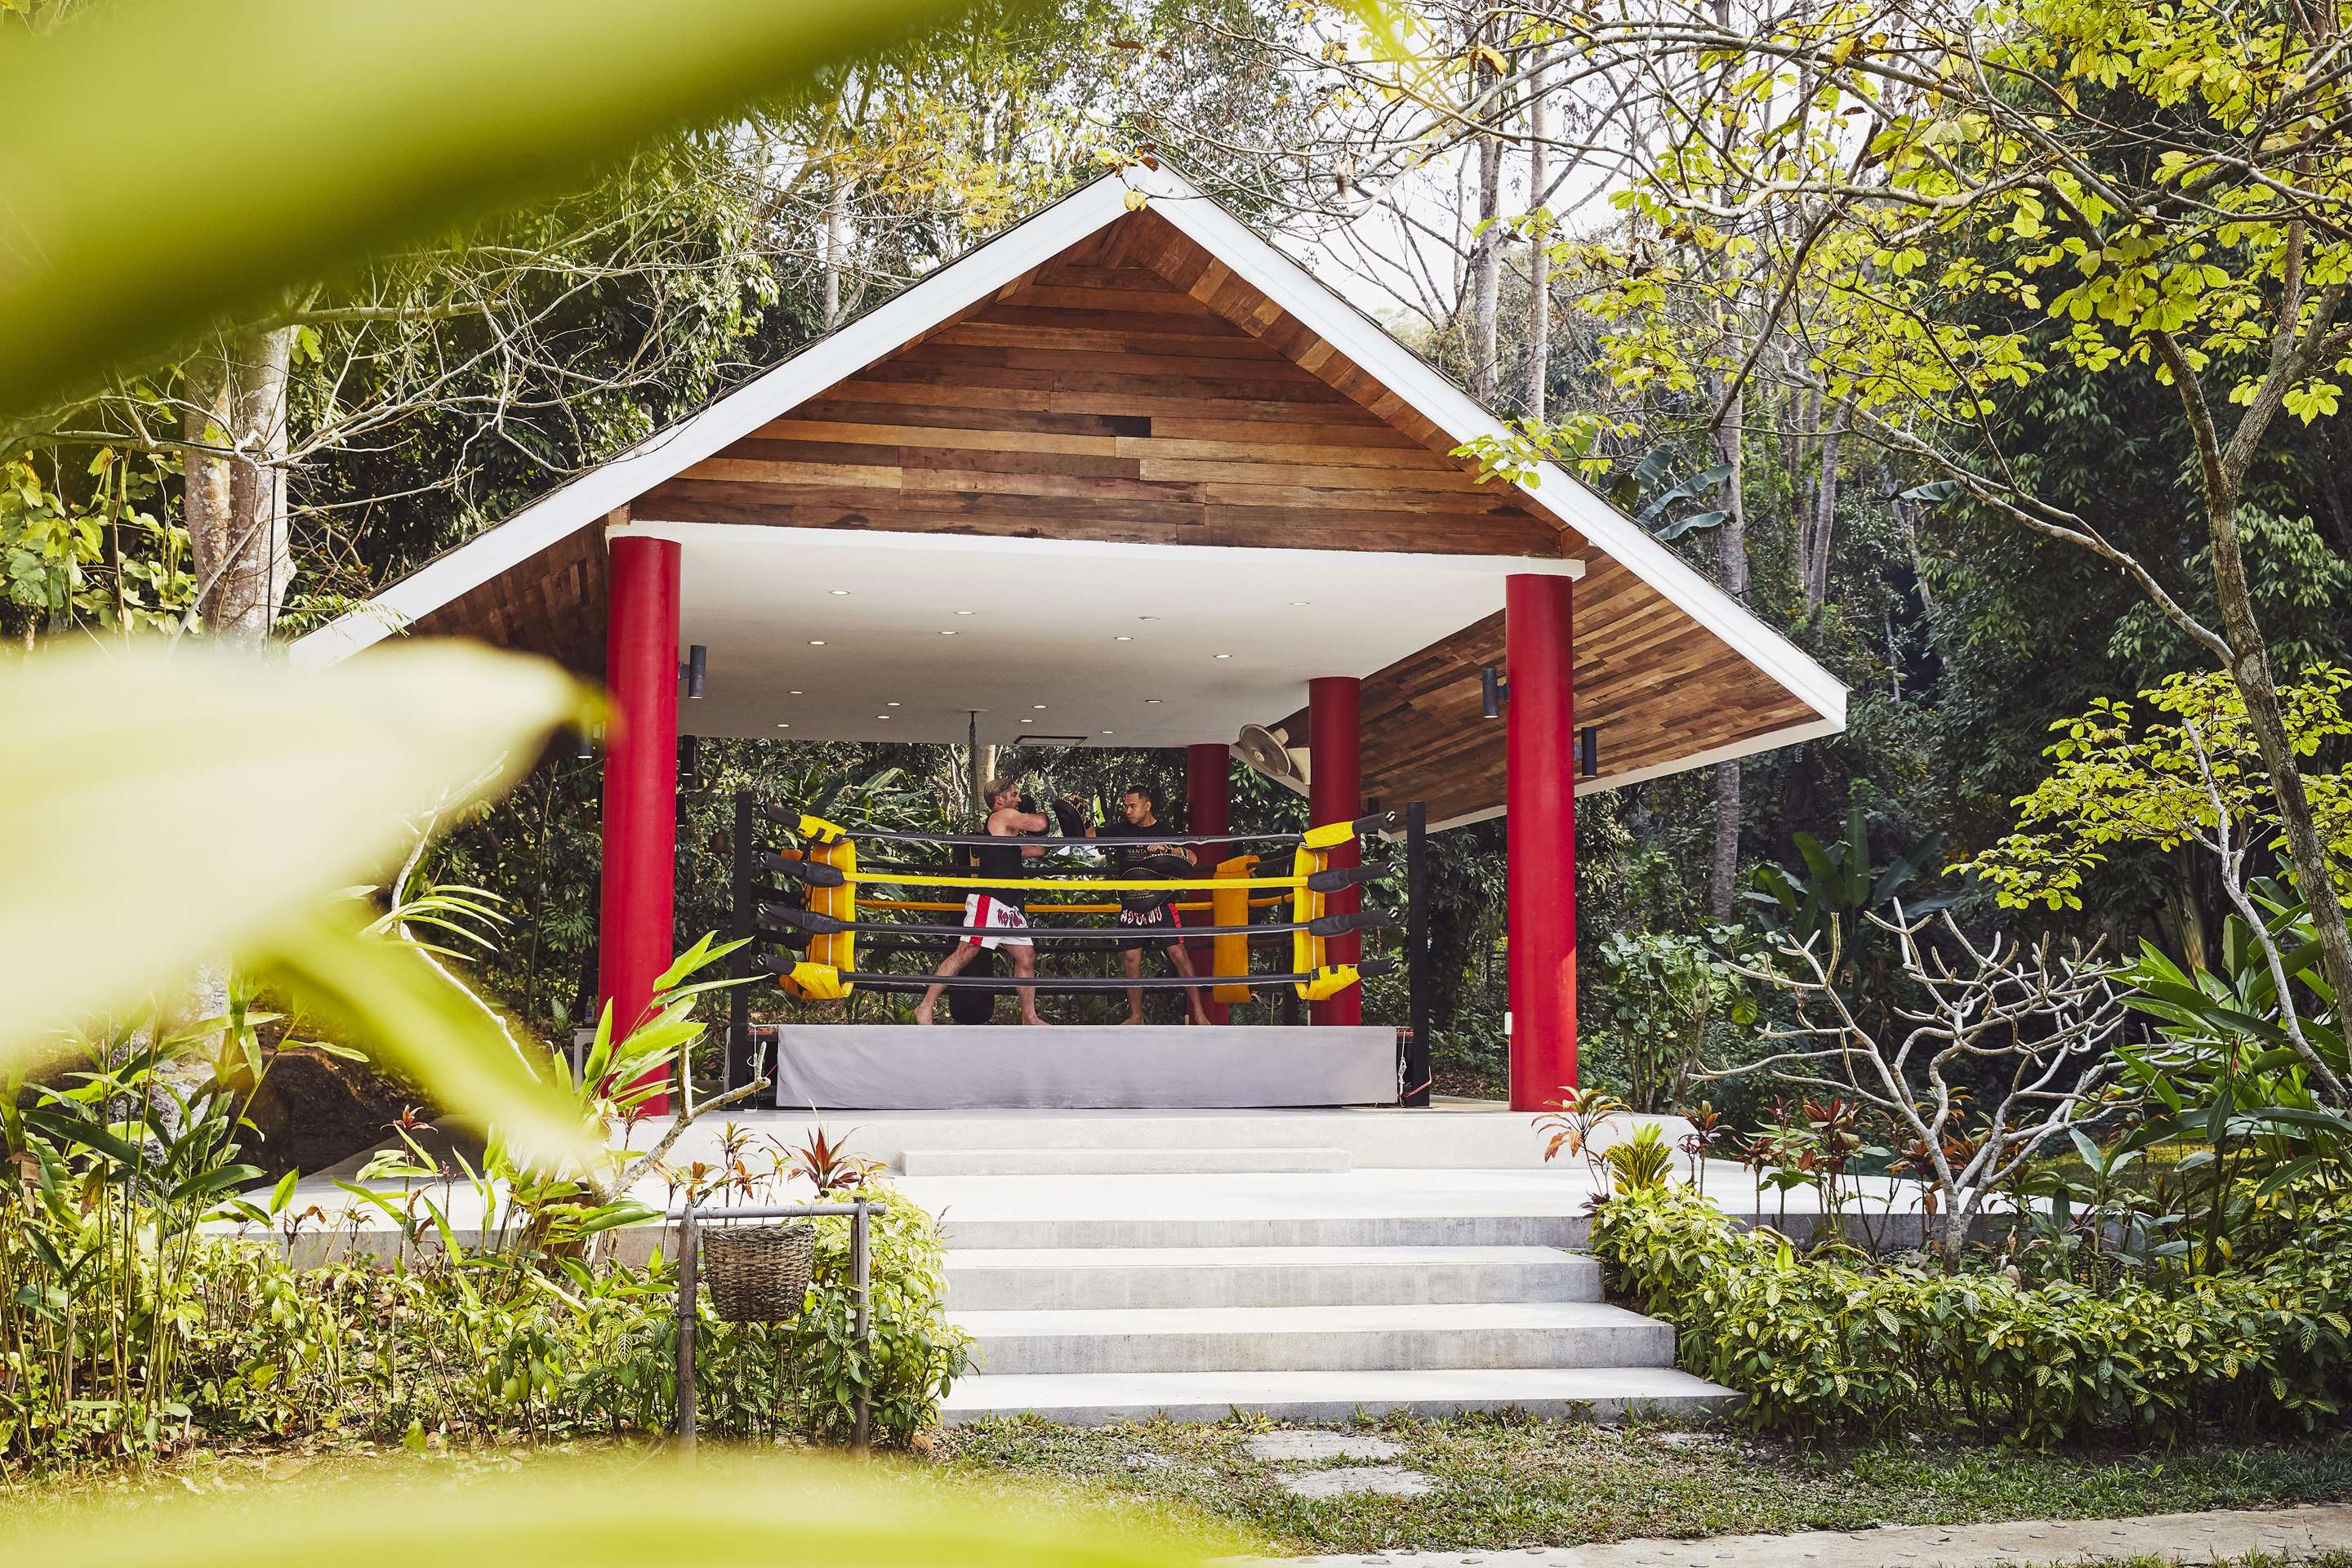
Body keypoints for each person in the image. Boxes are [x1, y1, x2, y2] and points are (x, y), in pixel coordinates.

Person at [914, 776, 1050, 1025]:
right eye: (1015, 794)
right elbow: (1040, 824)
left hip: (1008, 906)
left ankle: (1030, 1016)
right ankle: (925, 1006)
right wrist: (1049, 809)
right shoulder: (1001, 817)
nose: (1019, 799)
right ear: (1000, 800)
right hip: (990, 900)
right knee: (965, 952)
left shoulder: (1009, 832)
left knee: (1026, 956)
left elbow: (1037, 849)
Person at [1071, 782, 1211, 1026]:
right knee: (1131, 960)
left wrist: (1168, 849)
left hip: (1161, 903)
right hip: (1132, 905)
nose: (1128, 811)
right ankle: (1136, 1016)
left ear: (1147, 806)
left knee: (1179, 955)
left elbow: (1193, 858)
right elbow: (1087, 836)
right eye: (1126, 806)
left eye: (1133, 806)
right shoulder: (1121, 829)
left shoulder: (1164, 830)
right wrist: (1076, 815)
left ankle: (1199, 1013)